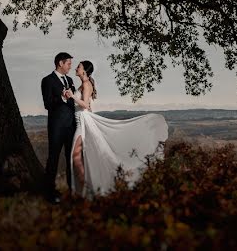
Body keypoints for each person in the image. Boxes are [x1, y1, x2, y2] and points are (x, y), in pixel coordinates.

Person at [68, 60, 168, 197]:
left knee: (76, 156)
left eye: (78, 67)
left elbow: (85, 105)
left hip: (83, 123)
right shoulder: (84, 84)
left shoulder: (86, 84)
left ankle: (88, 189)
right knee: (87, 156)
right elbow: (88, 106)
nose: (76, 68)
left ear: (84, 70)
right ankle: (88, 189)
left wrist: (72, 96)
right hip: (82, 121)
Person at [40, 51, 76, 203]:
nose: (70, 67)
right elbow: (48, 104)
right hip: (56, 126)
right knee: (53, 159)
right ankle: (50, 193)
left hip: (72, 126)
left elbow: (73, 103)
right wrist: (62, 97)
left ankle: (71, 191)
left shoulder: (70, 79)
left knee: (70, 159)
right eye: (68, 64)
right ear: (60, 63)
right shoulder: (47, 80)